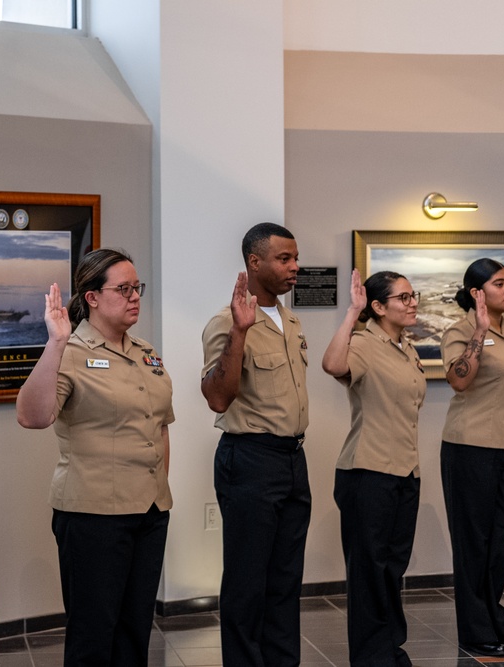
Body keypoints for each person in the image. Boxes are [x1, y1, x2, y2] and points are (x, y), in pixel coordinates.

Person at [16, 248, 174, 666]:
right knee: (93, 634)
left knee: (134, 629)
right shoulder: (70, 350)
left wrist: (158, 493)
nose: (134, 296)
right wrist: (55, 342)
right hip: (93, 516)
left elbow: (160, 427)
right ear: (92, 297)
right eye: (123, 289)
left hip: (149, 510)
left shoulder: (146, 352)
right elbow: (32, 416)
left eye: (136, 287)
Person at [200, 222, 310, 667]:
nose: (295, 267)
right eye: (284, 259)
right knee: (248, 584)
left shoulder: (292, 320)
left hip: (291, 459)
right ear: (254, 262)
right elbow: (216, 397)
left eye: (295, 258)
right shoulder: (226, 323)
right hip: (249, 460)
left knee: (286, 580)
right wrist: (241, 333)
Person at [321, 269, 426, 666]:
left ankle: (389, 646)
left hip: (405, 471)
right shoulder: (364, 342)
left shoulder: (406, 347)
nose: (412, 301)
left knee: (392, 567)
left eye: (413, 295)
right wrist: (352, 313)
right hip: (368, 471)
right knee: (369, 570)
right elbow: (332, 365)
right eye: (403, 297)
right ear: (378, 306)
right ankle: (370, 656)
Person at [440, 258, 504, 658]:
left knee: (500, 540)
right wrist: (480, 331)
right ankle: (475, 630)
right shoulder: (460, 331)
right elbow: (459, 380)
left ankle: (494, 618)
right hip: (471, 448)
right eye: (499, 283)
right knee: (473, 542)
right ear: (477, 293)